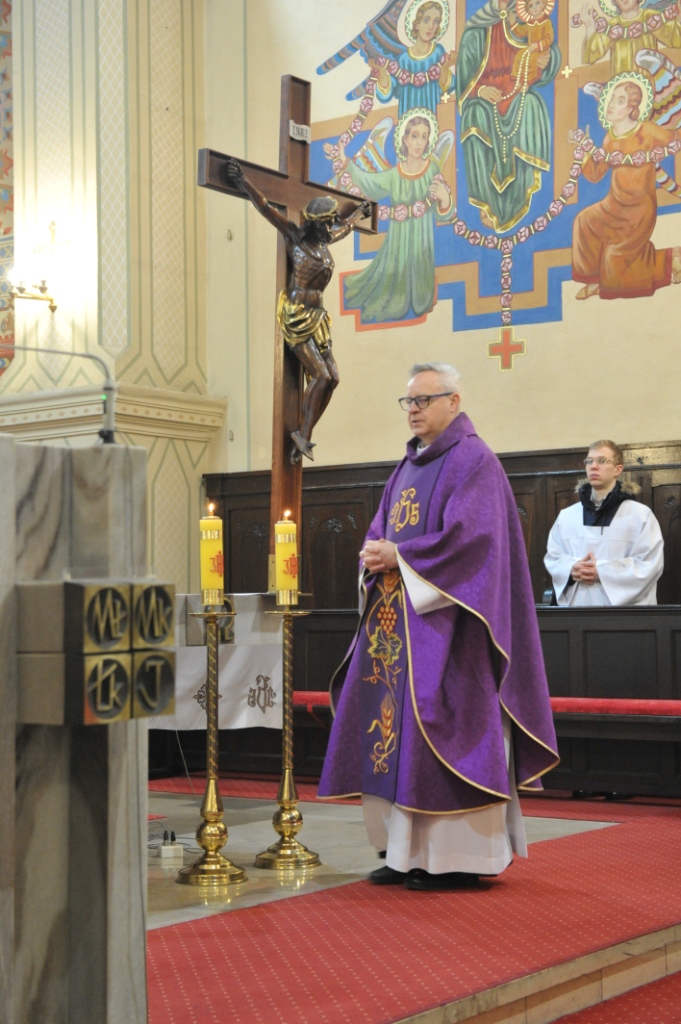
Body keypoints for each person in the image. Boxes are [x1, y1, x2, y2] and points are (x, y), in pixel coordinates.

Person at [318, 363, 558, 890]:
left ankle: (458, 861)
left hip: (454, 634)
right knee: (397, 738)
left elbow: (473, 543)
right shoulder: (407, 466)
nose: (414, 410)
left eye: (425, 400)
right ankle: (403, 852)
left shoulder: (475, 461)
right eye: (408, 401)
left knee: (442, 736)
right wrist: (374, 556)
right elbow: (381, 531)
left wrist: (399, 556)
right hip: (397, 630)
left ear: (454, 401)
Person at [224, 157, 370, 463]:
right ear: (314, 222)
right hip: (297, 315)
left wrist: (359, 212)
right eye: (326, 222)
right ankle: (303, 434)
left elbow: (345, 227)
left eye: (331, 221)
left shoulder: (325, 241)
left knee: (334, 378)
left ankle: (304, 432)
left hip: (319, 317)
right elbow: (266, 207)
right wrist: (243, 181)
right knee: (320, 375)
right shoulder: (296, 238)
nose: (330, 226)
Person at [325, 110, 454, 324]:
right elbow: (369, 182)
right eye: (414, 136)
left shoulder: (432, 170)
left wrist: (445, 200)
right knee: (390, 289)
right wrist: (345, 160)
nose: (419, 142)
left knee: (421, 290)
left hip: (422, 242)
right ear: (405, 140)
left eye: (424, 137)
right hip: (397, 241)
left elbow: (445, 213)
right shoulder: (396, 174)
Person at [571, 76, 681, 300]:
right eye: (612, 98)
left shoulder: (647, 131)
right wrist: (583, 154)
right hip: (613, 206)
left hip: (639, 211)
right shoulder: (609, 139)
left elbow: (674, 138)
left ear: (632, 108)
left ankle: (671, 260)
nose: (611, 103)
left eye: (619, 100)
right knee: (584, 221)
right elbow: (595, 174)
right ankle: (595, 279)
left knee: (615, 257)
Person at [457, 0, 561, 233]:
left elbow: (550, 48)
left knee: (532, 104)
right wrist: (480, 91)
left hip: (518, 92)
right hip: (485, 98)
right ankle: (484, 200)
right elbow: (463, 80)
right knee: (473, 116)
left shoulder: (528, 16)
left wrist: (547, 59)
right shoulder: (476, 30)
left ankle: (521, 192)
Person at [544, 439, 664, 606]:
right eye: (589, 461)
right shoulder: (567, 516)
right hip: (577, 612)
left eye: (602, 461)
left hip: (625, 615)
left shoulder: (640, 516)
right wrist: (571, 569)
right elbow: (554, 557)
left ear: (618, 469)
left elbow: (649, 564)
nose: (593, 466)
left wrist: (601, 572)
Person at [369, 0, 456, 118]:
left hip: (432, 115)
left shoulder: (438, 53)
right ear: (416, 24)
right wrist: (382, 71)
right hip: (407, 119)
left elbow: (446, 87)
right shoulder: (403, 59)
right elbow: (386, 94)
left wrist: (445, 67)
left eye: (436, 21)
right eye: (426, 20)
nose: (431, 26)